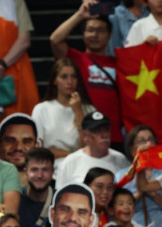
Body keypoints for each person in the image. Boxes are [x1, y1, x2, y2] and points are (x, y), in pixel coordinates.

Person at [50, 7, 123, 147]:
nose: (95, 35)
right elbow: (55, 40)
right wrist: (80, 15)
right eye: (90, 30)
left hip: (114, 135)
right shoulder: (75, 58)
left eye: (101, 31)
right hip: (84, 135)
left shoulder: (120, 63)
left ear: (109, 35)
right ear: (83, 34)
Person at [32, 58, 95, 167]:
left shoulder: (89, 110)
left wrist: (78, 112)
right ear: (54, 80)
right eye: (64, 77)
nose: (70, 82)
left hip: (83, 166)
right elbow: (37, 151)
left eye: (73, 76)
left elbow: (91, 149)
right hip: (51, 168)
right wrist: (72, 152)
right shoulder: (41, 109)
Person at [54, 111, 129, 190]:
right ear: (84, 136)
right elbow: (60, 197)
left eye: (106, 130)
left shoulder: (121, 159)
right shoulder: (69, 162)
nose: (104, 135)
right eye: (97, 131)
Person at [17, 148, 55, 227]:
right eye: (34, 170)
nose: (39, 175)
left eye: (45, 170)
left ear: (53, 172)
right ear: (26, 172)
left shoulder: (61, 202)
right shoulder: (15, 198)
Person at [0, 114, 40, 186]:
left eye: (27, 141)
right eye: (10, 140)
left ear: (37, 147)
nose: (18, 147)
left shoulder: (53, 187)